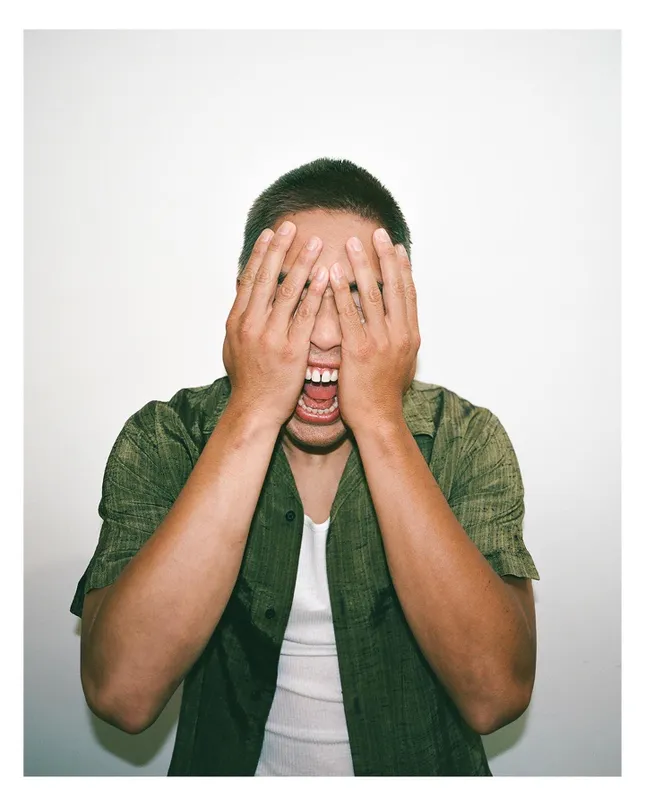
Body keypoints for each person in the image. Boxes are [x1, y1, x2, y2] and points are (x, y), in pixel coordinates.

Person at [70, 157, 540, 776]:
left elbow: (496, 694)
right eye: (292, 294)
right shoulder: (167, 438)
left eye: (356, 299)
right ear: (246, 300)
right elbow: (122, 694)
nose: (323, 334)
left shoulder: (465, 440)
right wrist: (254, 408)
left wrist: (380, 420)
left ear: (401, 312)